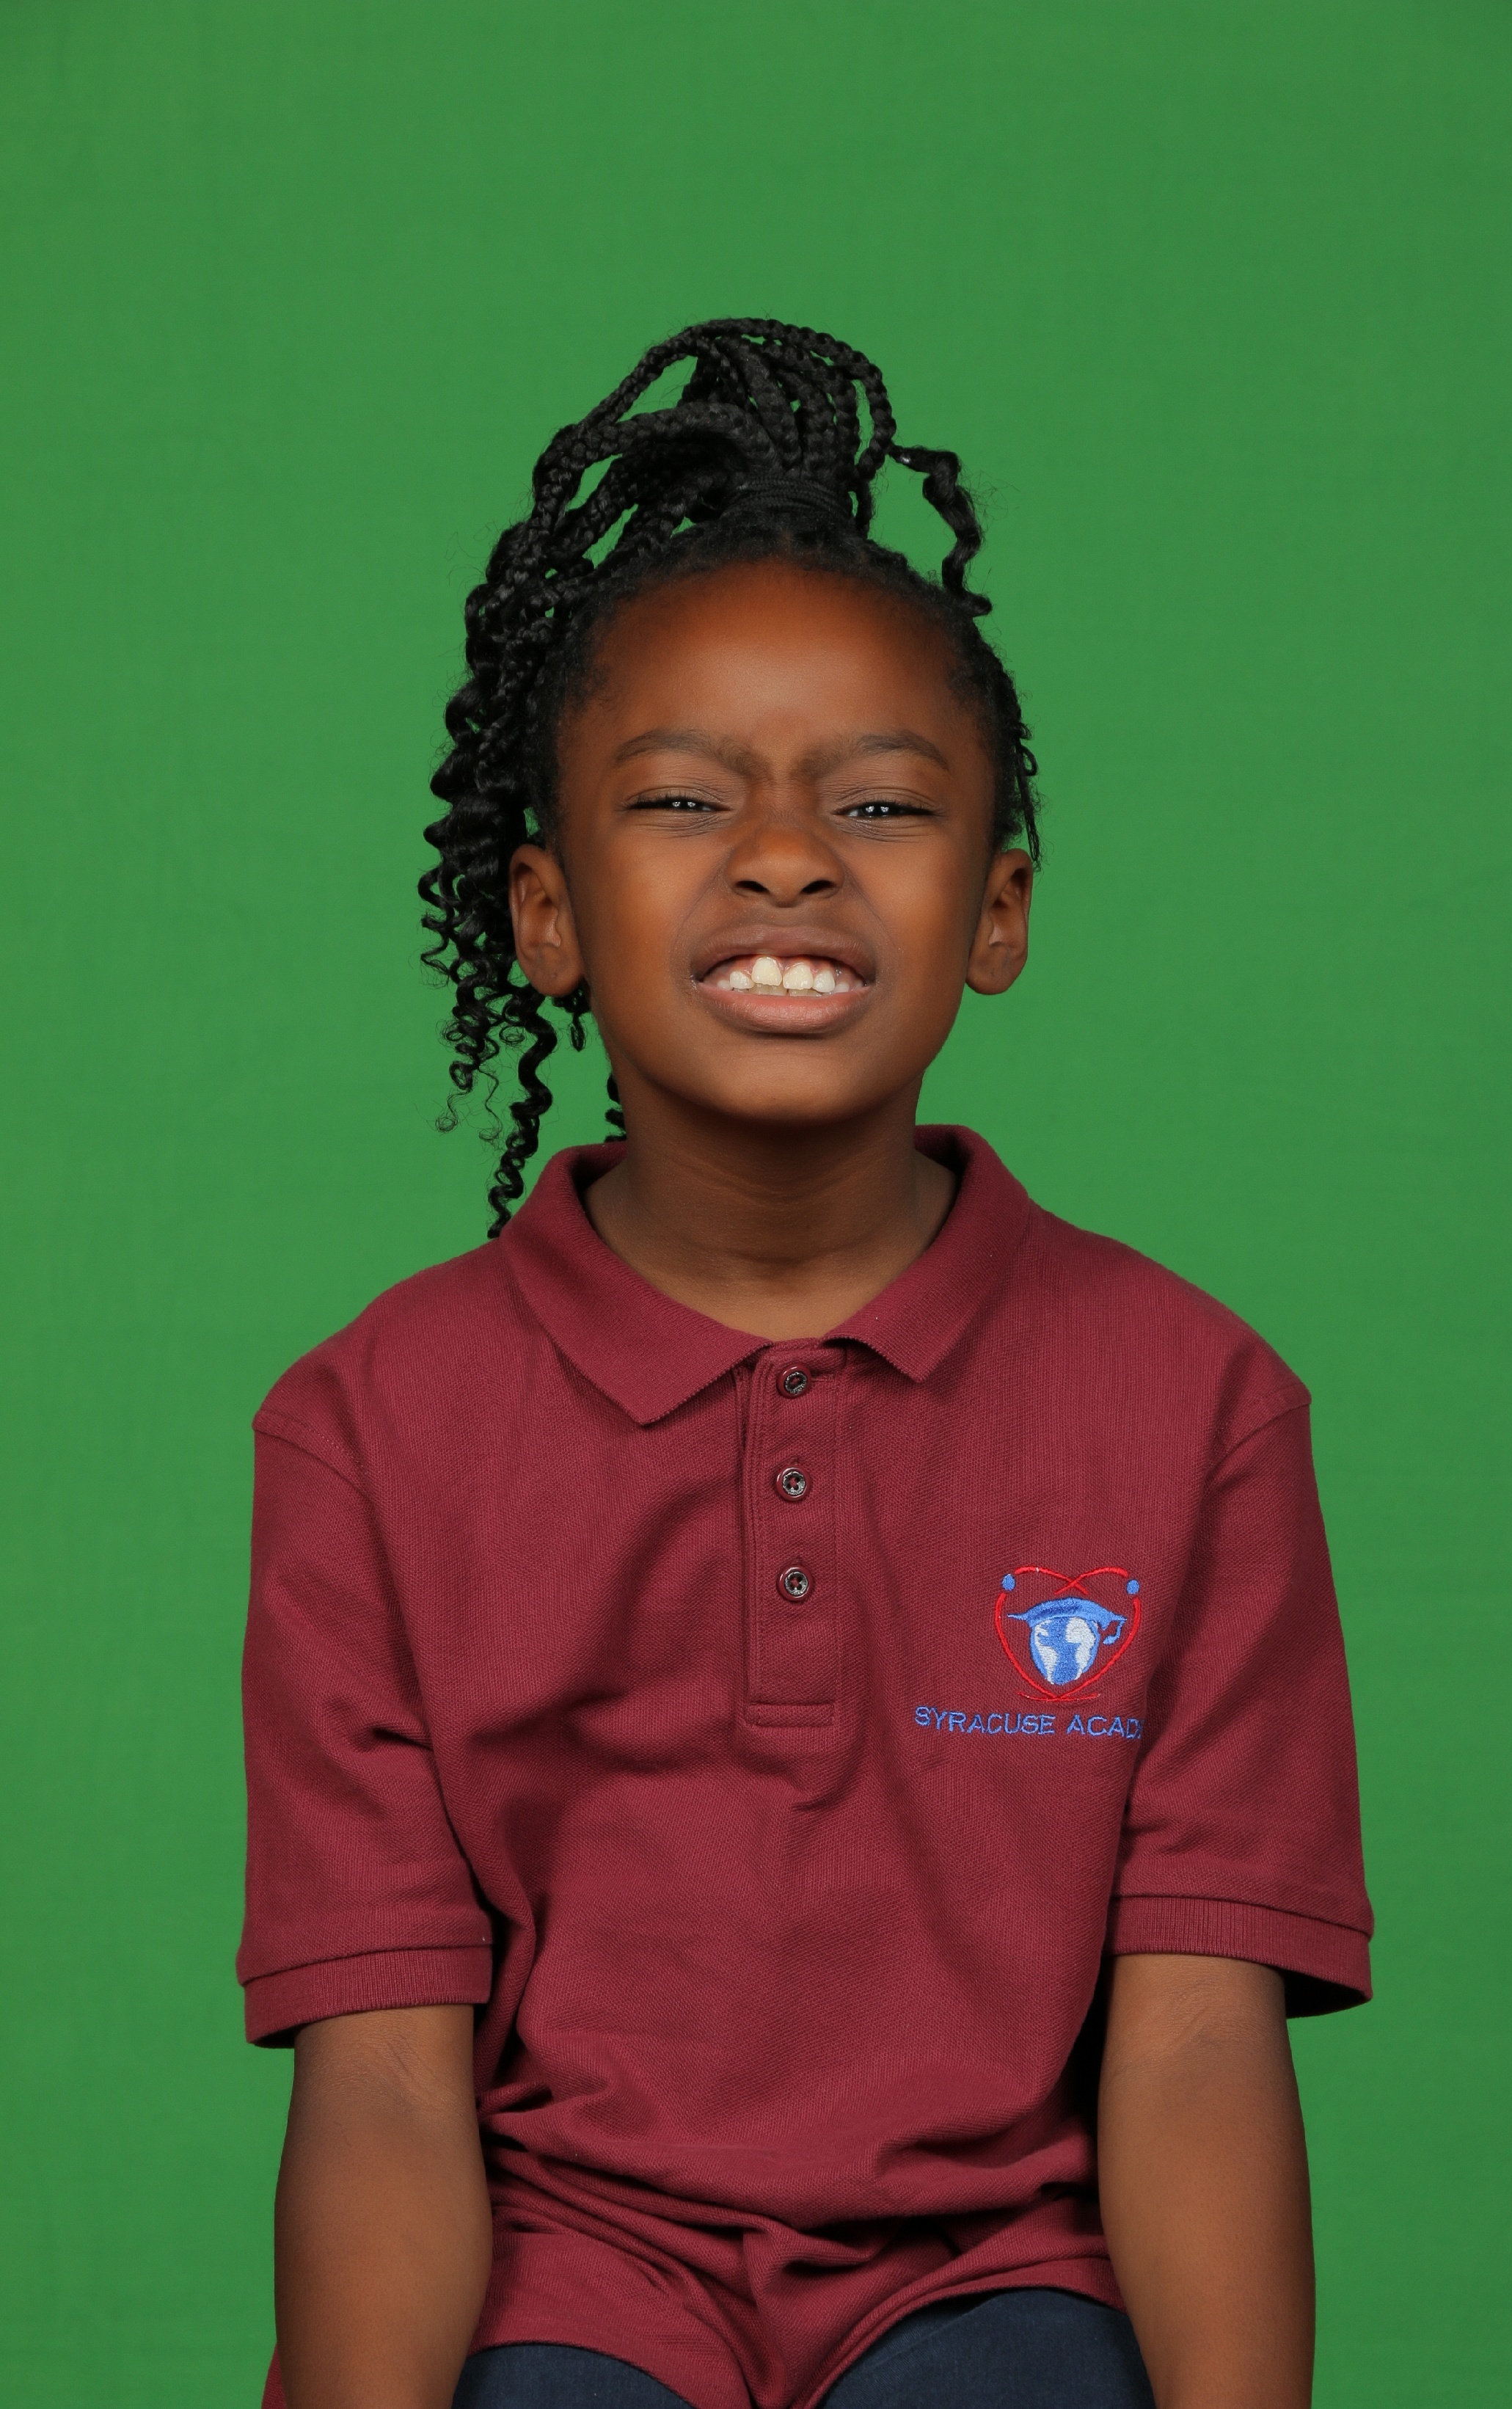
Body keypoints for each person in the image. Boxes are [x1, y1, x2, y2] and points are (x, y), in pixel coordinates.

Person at [238, 319, 1371, 2409]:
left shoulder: (1196, 1402)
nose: (784, 852)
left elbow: (1200, 2049)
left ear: (998, 912)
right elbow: (385, 2085)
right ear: (546, 914)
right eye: (685, 798)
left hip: (1001, 2282)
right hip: (570, 2283)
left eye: (879, 801)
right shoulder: (369, 1426)